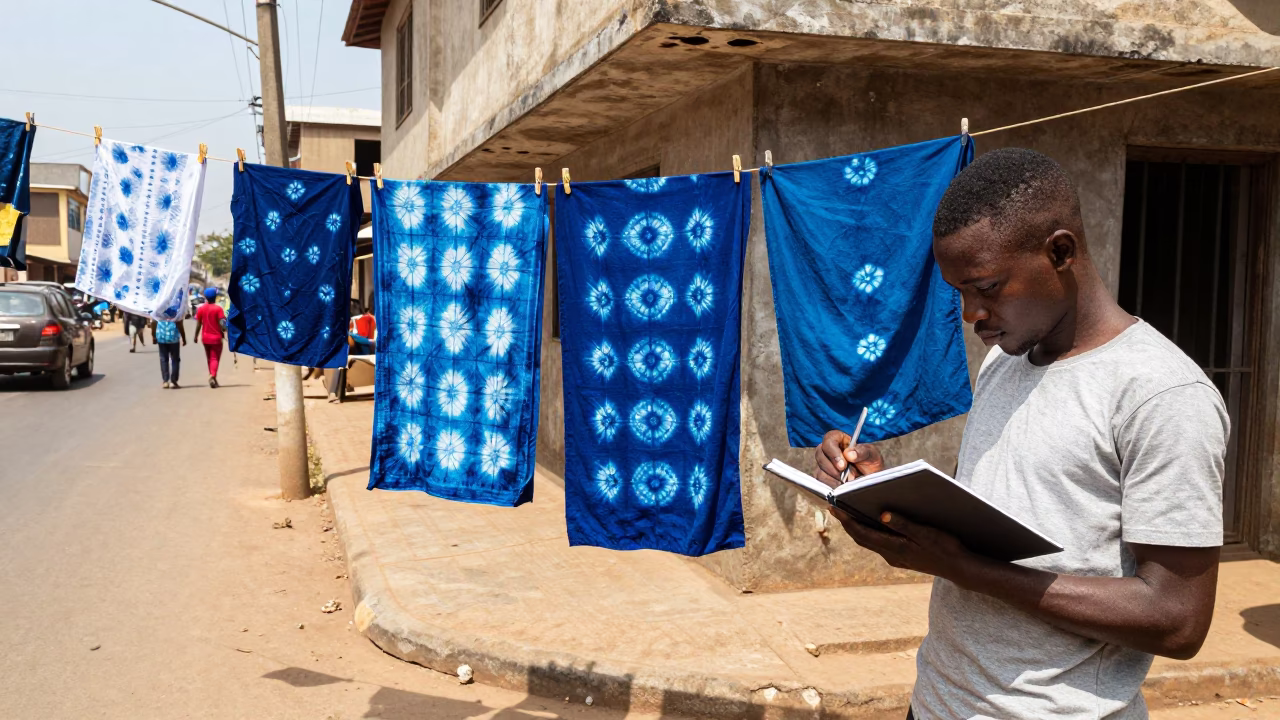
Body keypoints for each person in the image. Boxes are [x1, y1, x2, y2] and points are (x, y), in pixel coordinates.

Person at [814, 149, 1228, 720]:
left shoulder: (1161, 395)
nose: (970, 313)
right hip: (939, 702)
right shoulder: (1007, 360)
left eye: (985, 288)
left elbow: (1178, 620)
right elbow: (1003, 517)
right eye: (959, 292)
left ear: (1060, 251)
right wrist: (882, 492)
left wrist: (965, 570)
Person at [193, 287, 226, 388]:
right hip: (216, 338)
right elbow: (222, 324)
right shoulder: (218, 309)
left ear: (206, 297)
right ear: (215, 297)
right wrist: (224, 330)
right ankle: (212, 375)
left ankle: (213, 377)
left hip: (205, 338)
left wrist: (195, 336)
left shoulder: (201, 309)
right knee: (215, 358)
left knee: (209, 358)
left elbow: (198, 324)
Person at [150, 315, 187, 389]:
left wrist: (153, 335)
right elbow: (180, 324)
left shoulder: (158, 309)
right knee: (175, 359)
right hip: (174, 338)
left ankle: (165, 381)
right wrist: (183, 337)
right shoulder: (176, 310)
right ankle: (173, 381)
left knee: (164, 359)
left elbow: (153, 323)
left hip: (161, 337)